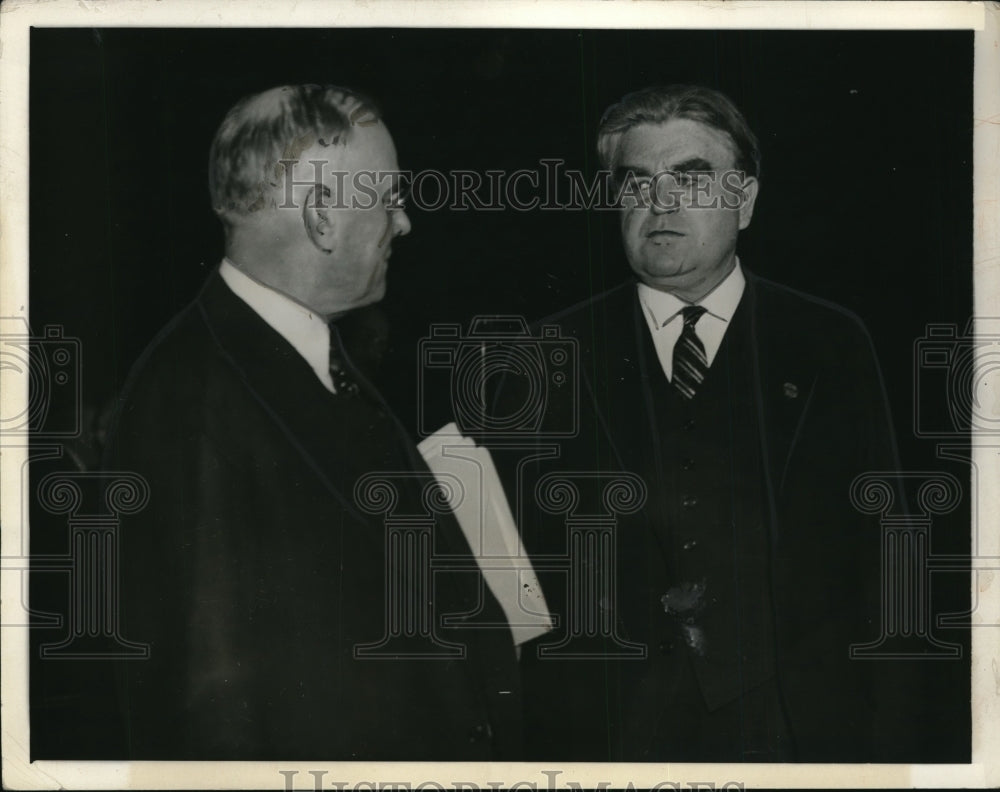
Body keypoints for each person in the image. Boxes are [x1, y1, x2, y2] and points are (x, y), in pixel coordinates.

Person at [101, 85, 520, 760]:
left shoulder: (307, 353)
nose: (405, 222)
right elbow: (211, 716)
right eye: (389, 198)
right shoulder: (187, 400)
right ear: (323, 216)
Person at [504, 84, 916, 762]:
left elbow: (885, 566)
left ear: (744, 201)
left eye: (691, 180)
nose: (660, 203)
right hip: (609, 737)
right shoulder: (547, 353)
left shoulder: (829, 343)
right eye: (637, 183)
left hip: (795, 733)